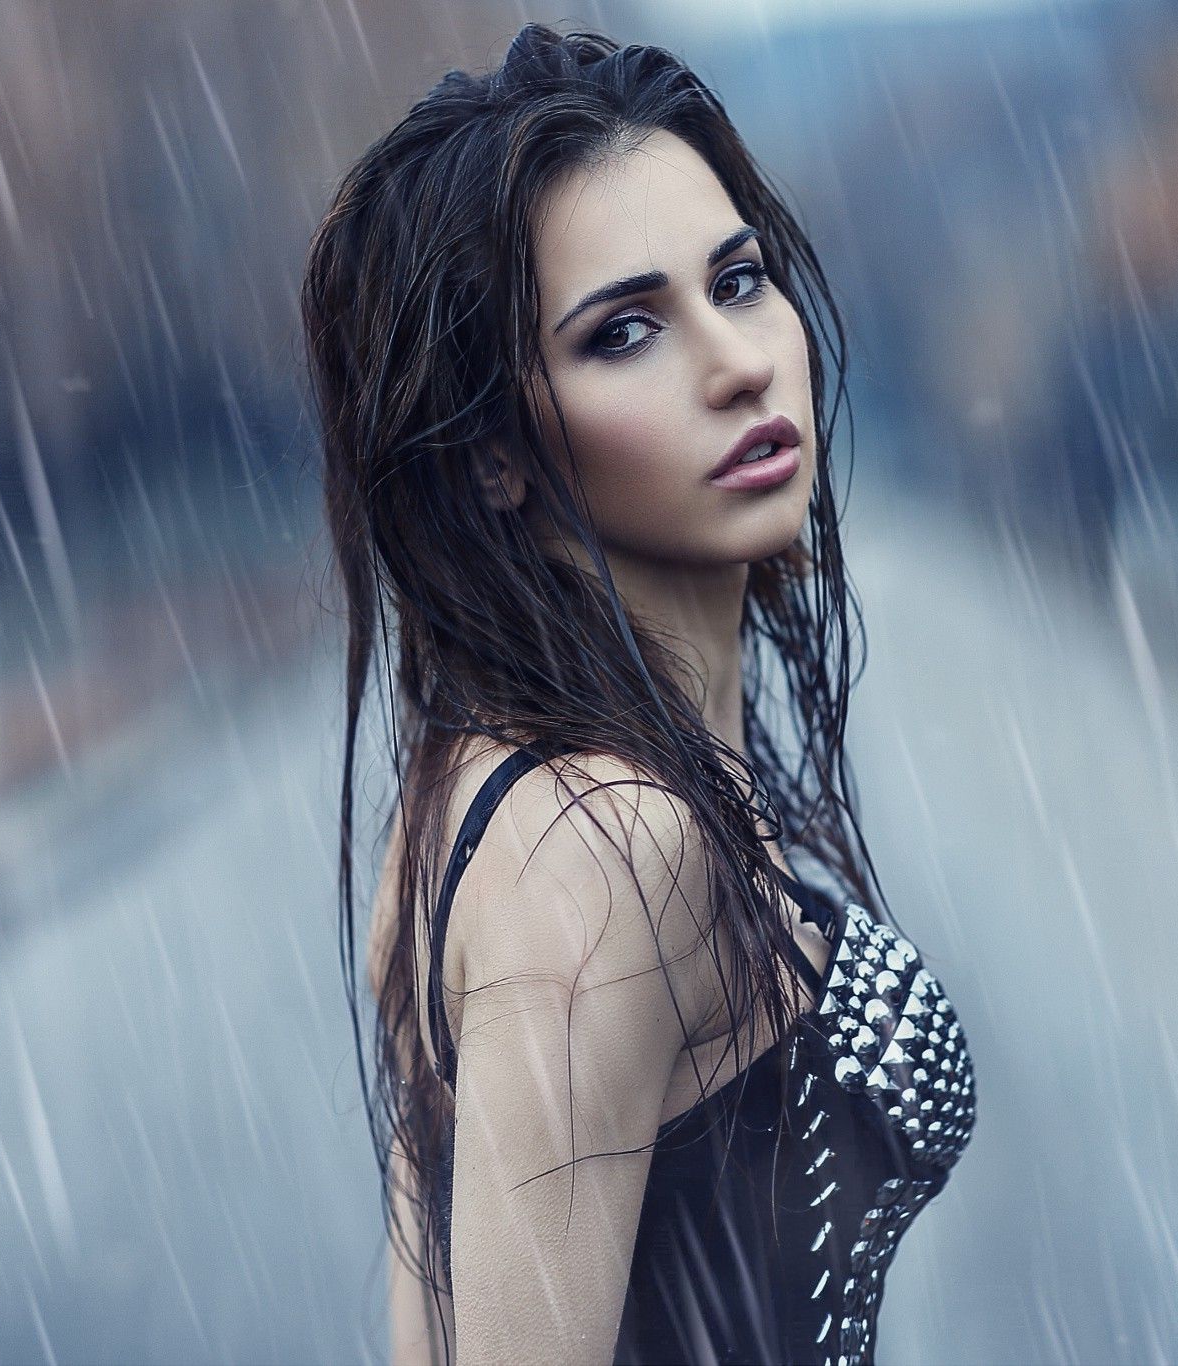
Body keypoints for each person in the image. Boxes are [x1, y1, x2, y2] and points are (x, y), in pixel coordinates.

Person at [302, 24, 977, 1365]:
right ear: (493, 449)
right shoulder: (607, 851)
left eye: (739, 280)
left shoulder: (487, 782)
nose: (738, 362)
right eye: (624, 330)